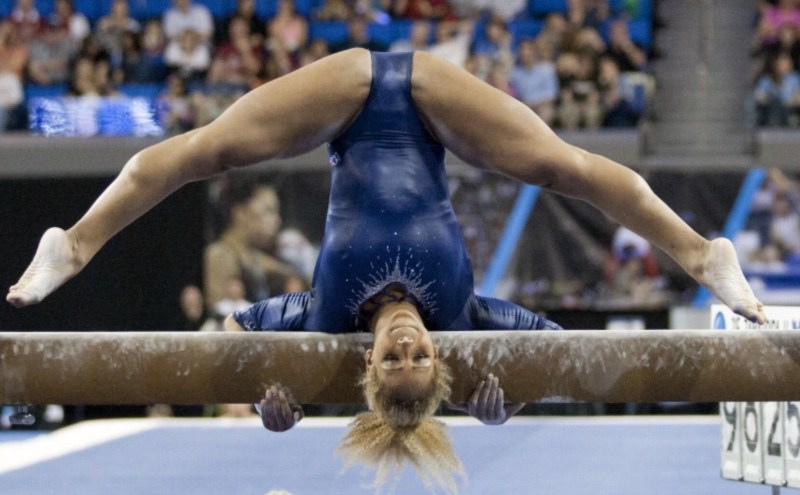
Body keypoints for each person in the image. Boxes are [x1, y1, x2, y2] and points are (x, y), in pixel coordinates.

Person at [7, 49, 765, 491]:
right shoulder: (469, 322)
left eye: (390, 357)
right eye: (420, 355)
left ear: (367, 359)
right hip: (437, 107)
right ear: (440, 352)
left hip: (340, 105)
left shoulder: (322, 324)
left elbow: (238, 328)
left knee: (209, 151)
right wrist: (511, 398)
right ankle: (703, 252)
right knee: (562, 166)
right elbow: (554, 342)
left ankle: (74, 243)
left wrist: (281, 395)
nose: (406, 342)